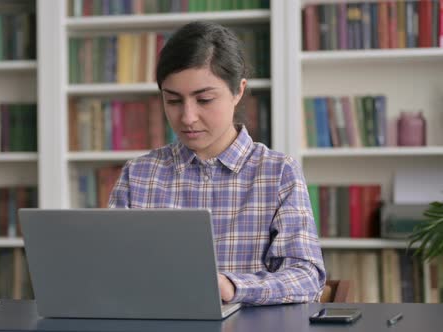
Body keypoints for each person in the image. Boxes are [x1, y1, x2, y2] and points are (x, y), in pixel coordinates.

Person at [108, 21, 325, 305]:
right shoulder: (138, 174)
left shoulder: (277, 172)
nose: (187, 117)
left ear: (238, 91)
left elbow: (307, 277)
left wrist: (233, 287)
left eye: (205, 99)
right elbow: (110, 271)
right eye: (173, 101)